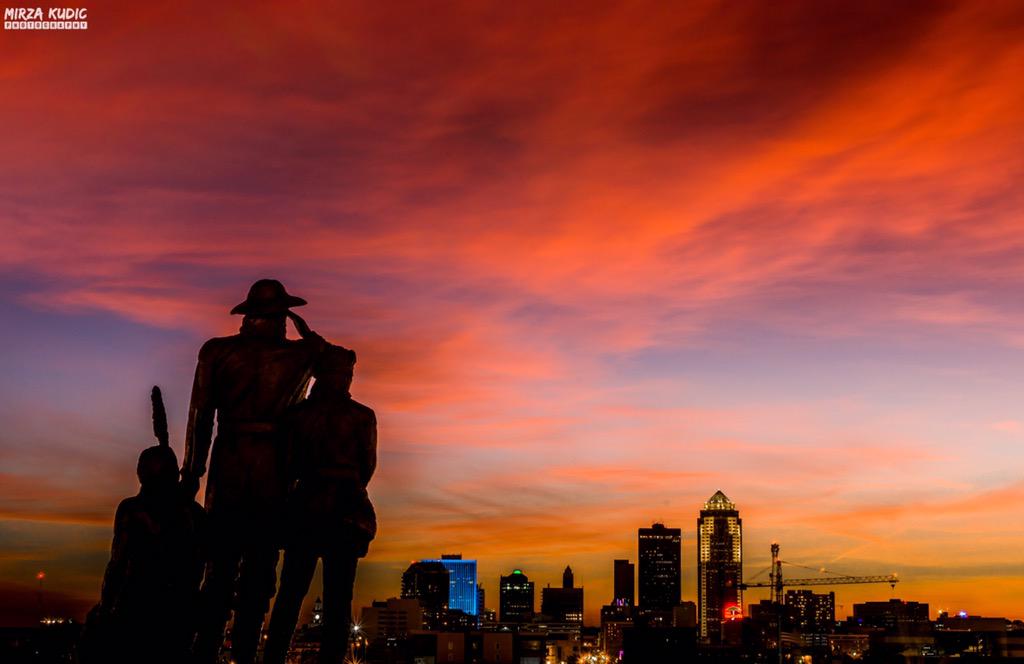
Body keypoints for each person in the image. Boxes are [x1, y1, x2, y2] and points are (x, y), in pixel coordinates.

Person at [183, 279, 340, 664]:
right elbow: (336, 364)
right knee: (258, 574)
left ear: (248, 314)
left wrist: (192, 471)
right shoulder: (301, 355)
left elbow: (200, 417)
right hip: (274, 468)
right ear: (282, 315)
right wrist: (308, 333)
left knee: (218, 569)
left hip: (229, 462)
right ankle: (245, 656)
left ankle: (205, 652)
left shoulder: (217, 351)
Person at [263, 345, 377, 664]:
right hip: (345, 509)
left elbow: (285, 465)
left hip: (304, 507)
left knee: (291, 593)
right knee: (338, 598)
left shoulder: (296, 416)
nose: (346, 380)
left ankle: (272, 658)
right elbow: (367, 466)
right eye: (344, 374)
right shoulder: (362, 417)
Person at [80, 388, 206, 664]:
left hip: (142, 603)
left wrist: (107, 603)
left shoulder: (135, 510)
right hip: (178, 606)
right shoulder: (191, 511)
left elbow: (117, 562)